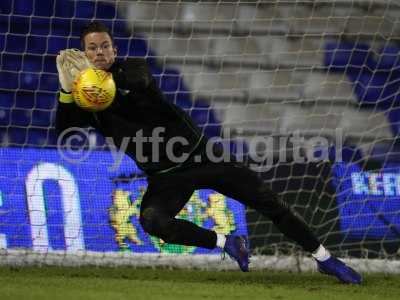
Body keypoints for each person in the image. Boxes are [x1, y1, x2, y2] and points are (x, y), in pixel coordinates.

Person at [55, 21, 362, 284]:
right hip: (165, 177)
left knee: (269, 201)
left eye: (105, 46)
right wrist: (67, 91)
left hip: (204, 157)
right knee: (153, 222)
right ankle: (225, 241)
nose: (100, 53)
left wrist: (99, 79)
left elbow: (141, 81)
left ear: (114, 50)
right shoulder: (88, 101)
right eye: (92, 48)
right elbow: (65, 130)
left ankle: (324, 258)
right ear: (85, 54)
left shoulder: (132, 68)